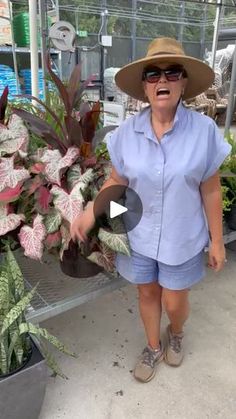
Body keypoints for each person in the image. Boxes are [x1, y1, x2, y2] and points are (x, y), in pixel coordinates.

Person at [70, 37, 231, 383]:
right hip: (139, 234)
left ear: (184, 83)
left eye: (172, 73)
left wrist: (217, 241)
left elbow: (211, 187)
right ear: (144, 87)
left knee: (174, 302)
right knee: (146, 292)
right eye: (153, 74)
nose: (162, 80)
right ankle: (154, 346)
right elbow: (118, 181)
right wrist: (91, 213)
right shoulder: (127, 133)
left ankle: (176, 331)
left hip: (183, 237)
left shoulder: (203, 131)